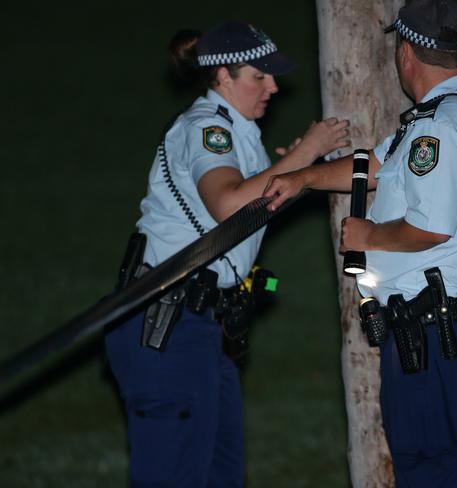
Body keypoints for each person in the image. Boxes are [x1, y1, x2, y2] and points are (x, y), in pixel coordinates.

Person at [264, 0, 457, 486]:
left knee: (439, 474)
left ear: (405, 53)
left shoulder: (437, 127)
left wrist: (368, 235)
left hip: (441, 340)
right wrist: (305, 178)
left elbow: (431, 228)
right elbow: (373, 166)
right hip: (444, 334)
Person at [104, 21, 349, 487]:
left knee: (221, 476)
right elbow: (229, 204)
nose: (274, 87)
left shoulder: (241, 134)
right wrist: (306, 154)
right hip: (167, 326)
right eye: (260, 76)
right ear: (222, 77)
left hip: (201, 327)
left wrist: (295, 170)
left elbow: (245, 215)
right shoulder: (205, 128)